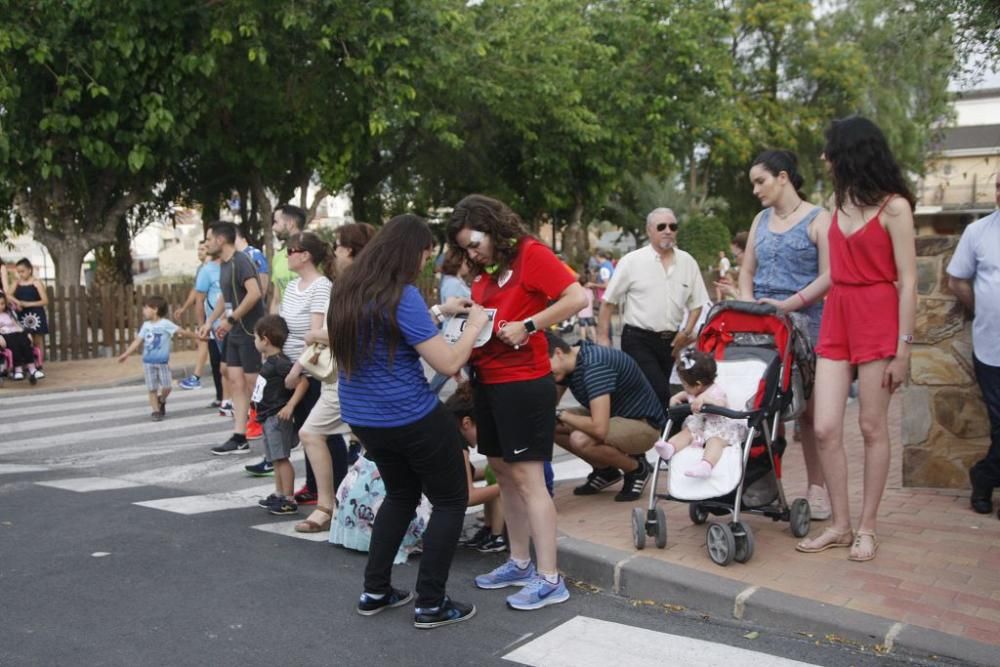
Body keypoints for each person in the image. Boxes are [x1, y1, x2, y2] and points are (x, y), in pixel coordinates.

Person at [330, 214, 487, 629]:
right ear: (409, 251)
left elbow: (386, 336)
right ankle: (432, 602)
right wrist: (473, 326)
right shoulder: (401, 294)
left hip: (363, 417)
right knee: (451, 500)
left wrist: (439, 312)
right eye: (425, 254)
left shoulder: (347, 289)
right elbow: (449, 360)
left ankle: (375, 590)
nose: (424, 263)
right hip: (409, 414)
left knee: (400, 494)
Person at [448, 194, 587, 612]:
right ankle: (520, 561)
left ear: (492, 227)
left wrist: (528, 325)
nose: (471, 253)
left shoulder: (531, 253)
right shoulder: (491, 269)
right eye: (465, 248)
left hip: (523, 383)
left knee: (528, 478)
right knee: (505, 474)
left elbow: (576, 297)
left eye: (474, 243)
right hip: (488, 381)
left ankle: (549, 578)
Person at [791, 116, 917, 562]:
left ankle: (867, 526)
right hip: (838, 317)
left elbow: (908, 281)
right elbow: (831, 275)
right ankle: (841, 525)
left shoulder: (895, 208)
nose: (825, 159)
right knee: (824, 426)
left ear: (851, 153)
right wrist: (789, 304)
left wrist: (903, 349)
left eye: (830, 151)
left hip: (878, 317)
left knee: (870, 426)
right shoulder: (836, 203)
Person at [727, 150, 834, 520]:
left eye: (761, 181)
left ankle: (817, 489)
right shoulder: (760, 220)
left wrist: (788, 304)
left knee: (809, 415)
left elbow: (829, 276)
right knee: (761, 406)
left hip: (808, 327)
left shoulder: (819, 219)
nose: (756, 189)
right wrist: (747, 305)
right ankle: (766, 485)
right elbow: (747, 272)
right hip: (762, 327)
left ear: (784, 177)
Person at [287, 223, 376, 531]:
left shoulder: (363, 285)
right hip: (337, 377)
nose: (334, 251)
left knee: (374, 443)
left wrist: (316, 335)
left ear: (350, 249)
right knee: (312, 433)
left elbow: (354, 331)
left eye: (338, 245)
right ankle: (328, 505)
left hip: (356, 376)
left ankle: (355, 506)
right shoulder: (345, 282)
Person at [597, 208, 710, 406]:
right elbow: (608, 302)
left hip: (671, 342)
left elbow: (697, 303)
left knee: (657, 392)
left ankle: (654, 431)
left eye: (673, 226)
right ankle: (667, 432)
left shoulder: (687, 262)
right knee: (659, 390)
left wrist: (687, 332)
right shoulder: (632, 261)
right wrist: (603, 339)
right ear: (649, 231)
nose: (668, 231)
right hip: (638, 339)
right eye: (661, 226)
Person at [548, 333, 663, 500]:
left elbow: (599, 429)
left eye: (545, 366)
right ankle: (606, 471)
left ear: (558, 353)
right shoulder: (572, 362)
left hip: (643, 425)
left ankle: (637, 469)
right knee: (549, 425)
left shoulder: (594, 365)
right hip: (613, 416)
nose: (545, 372)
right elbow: (550, 405)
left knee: (580, 439)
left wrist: (563, 415)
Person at [947, 170, 1000, 518]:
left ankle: (983, 478)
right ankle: (984, 480)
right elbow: (957, 280)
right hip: (991, 345)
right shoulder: (977, 231)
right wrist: (983, 309)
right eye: (998, 185)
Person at [200, 222, 267, 454]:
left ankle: (275, 434)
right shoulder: (224, 265)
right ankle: (239, 436)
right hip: (235, 333)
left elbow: (255, 293)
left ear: (220, 240)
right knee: (235, 382)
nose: (206, 244)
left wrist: (232, 319)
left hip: (249, 332)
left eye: (208, 239)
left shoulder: (241, 261)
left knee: (253, 384)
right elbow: (224, 297)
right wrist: (212, 321)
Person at [653, 347, 747, 478]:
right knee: (686, 433)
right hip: (700, 426)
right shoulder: (693, 391)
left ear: (698, 384)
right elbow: (684, 394)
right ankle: (670, 448)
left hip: (720, 429)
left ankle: (706, 465)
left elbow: (722, 404)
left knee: (714, 442)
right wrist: (676, 398)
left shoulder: (715, 391)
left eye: (685, 384)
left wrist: (708, 400)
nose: (684, 387)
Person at [251, 315, 309, 516]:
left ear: (265, 339)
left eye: (256, 337)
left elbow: (302, 382)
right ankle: (279, 493)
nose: (255, 341)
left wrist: (290, 406)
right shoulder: (270, 361)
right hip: (267, 416)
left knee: (282, 458)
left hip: (277, 417)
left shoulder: (280, 363)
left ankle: (288, 498)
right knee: (275, 458)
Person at [444, 382, 506, 553]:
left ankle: (488, 529)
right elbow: (467, 497)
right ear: (466, 423)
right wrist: (507, 482)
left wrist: (491, 471)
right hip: (416, 516)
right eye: (486, 426)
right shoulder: (457, 446)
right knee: (503, 483)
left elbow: (464, 475)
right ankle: (496, 536)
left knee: (495, 476)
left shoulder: (444, 433)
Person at [117, 296, 196, 421]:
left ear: (155, 309)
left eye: (146, 308)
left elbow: (181, 331)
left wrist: (197, 336)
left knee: (167, 387)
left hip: (162, 362)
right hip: (148, 363)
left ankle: (162, 399)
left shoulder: (166, 324)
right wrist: (126, 354)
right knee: (152, 388)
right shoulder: (146, 325)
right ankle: (155, 411)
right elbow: (138, 341)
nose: (143, 310)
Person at [428, 248, 473, 394]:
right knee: (447, 371)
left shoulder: (453, 281)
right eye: (466, 262)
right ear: (459, 263)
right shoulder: (453, 283)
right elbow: (453, 308)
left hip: (457, 334)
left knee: (462, 370)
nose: (468, 265)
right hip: (457, 335)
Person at [176, 242, 212, 391]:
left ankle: (196, 377)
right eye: (198, 249)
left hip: (211, 313)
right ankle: (196, 377)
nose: (199, 252)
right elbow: (196, 290)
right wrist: (184, 307)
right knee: (202, 342)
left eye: (202, 249)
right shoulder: (201, 269)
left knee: (204, 342)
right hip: (205, 313)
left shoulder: (211, 268)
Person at [269, 204, 308, 310]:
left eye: (276, 222)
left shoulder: (312, 254)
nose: (273, 227)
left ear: (290, 224)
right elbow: (276, 299)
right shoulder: (278, 257)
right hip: (283, 324)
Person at [0, 291, 43, 383]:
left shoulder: (8, 314)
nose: (1, 306)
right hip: (4, 335)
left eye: (2, 304)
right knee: (13, 343)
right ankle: (18, 369)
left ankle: (32, 368)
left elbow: (16, 324)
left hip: (15, 332)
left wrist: (21, 330)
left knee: (24, 339)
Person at [11, 259, 48, 351]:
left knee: (38, 340)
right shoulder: (16, 283)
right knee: (25, 339)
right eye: (18, 272)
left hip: (36, 314)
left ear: (29, 270)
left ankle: (39, 363)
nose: (20, 274)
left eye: (22, 271)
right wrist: (17, 302)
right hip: (21, 313)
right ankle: (29, 362)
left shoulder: (37, 283)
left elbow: (45, 301)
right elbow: (8, 295)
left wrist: (28, 304)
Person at [575, 274, 597, 342]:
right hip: (590, 313)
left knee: (582, 328)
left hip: (581, 314)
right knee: (592, 327)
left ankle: (584, 342)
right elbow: (593, 299)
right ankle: (595, 341)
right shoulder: (590, 291)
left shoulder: (579, 291)